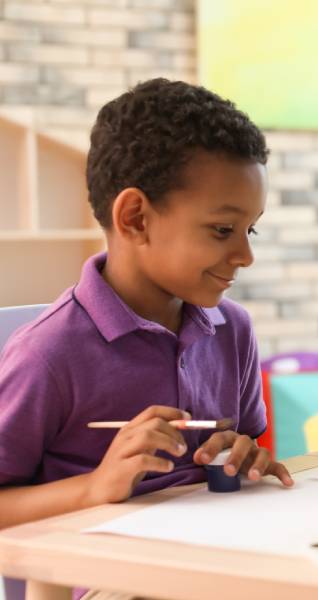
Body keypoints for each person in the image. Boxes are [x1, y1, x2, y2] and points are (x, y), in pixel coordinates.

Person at [0, 79, 294, 533]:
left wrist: (244, 455)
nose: (245, 255)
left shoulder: (232, 330)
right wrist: (95, 487)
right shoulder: (47, 355)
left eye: (249, 230)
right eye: (222, 230)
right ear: (136, 218)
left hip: (213, 556)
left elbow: (247, 443)